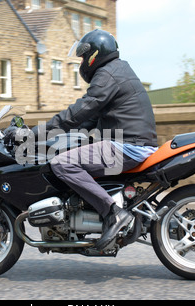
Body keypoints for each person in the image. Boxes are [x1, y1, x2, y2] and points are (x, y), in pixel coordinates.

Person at [32, 30, 158, 250]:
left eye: (83, 57)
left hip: (127, 146)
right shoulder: (117, 70)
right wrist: (62, 135)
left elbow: (80, 110)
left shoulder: (107, 74)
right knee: (72, 155)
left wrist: (36, 132)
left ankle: (113, 213)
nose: (82, 62)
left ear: (94, 54)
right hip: (132, 143)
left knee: (62, 163)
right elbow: (89, 119)